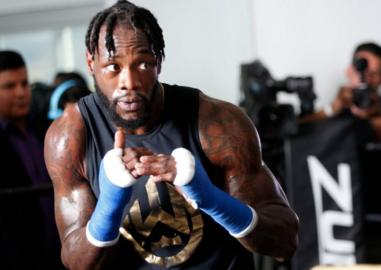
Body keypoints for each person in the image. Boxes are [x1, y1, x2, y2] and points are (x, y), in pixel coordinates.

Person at [44, 1, 299, 269]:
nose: (128, 82)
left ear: (159, 61)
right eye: (113, 67)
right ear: (90, 62)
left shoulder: (217, 124)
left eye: (142, 64)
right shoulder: (70, 136)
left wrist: (210, 198)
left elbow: (284, 241)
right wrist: (110, 202)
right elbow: (77, 263)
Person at [301, 42, 381, 263]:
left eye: (374, 73)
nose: (365, 78)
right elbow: (298, 134)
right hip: (343, 230)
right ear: (350, 71)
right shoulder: (334, 111)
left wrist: (378, 119)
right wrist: (333, 108)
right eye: (361, 70)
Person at [0, 50, 62, 269]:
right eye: (9, 86)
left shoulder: (47, 129)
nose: (21, 93)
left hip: (62, 254)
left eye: (24, 83)